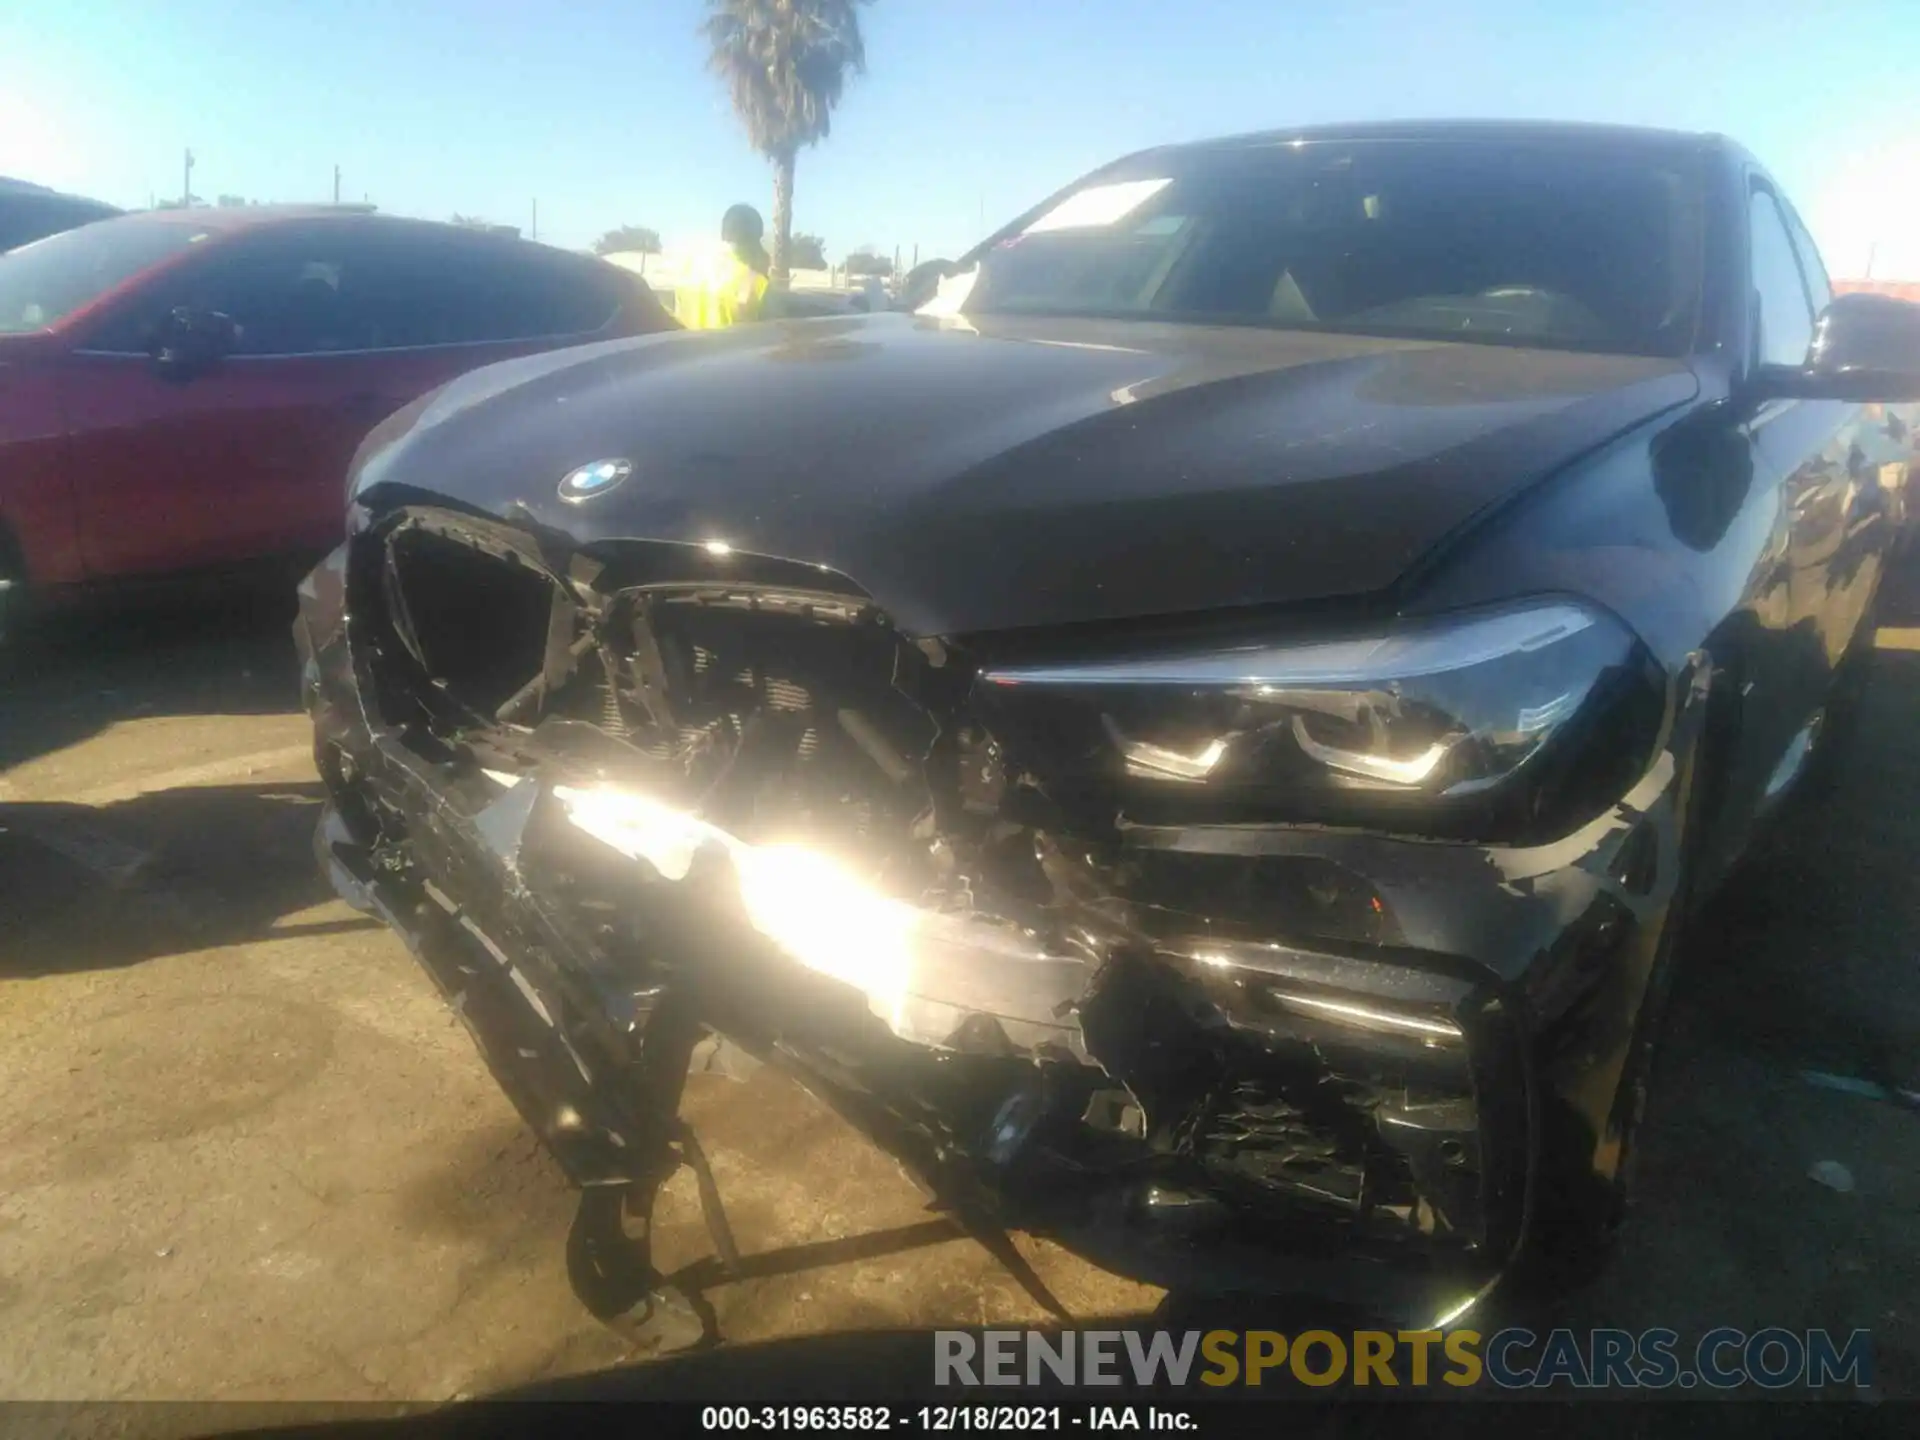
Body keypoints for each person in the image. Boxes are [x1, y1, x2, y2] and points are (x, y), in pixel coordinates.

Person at [674, 203, 771, 330]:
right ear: (756, 236)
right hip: (730, 349)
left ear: (723, 232)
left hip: (687, 348)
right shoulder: (755, 281)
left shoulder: (689, 267)